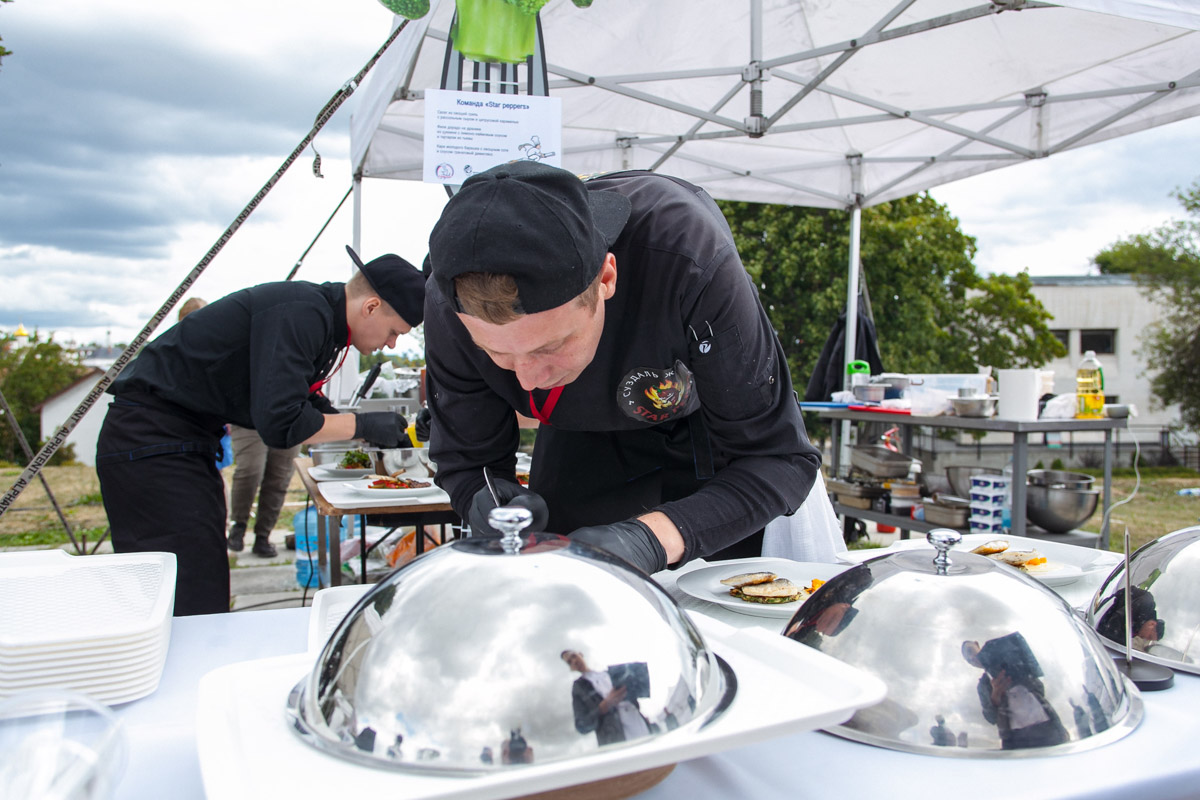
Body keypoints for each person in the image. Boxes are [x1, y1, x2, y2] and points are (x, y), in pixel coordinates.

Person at [422, 161, 822, 573]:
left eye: (550, 346)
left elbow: (779, 458)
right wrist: (483, 497)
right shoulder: (446, 304)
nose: (528, 380)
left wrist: (653, 538)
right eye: (498, 355)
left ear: (606, 278)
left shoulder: (687, 254)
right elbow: (467, 460)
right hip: (573, 437)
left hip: (701, 444)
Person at [96, 248, 426, 616]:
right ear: (371, 307)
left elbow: (304, 403)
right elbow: (282, 423)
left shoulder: (319, 317)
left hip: (177, 441)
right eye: (395, 331)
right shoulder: (303, 313)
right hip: (151, 441)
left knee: (201, 575)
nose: (392, 343)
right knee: (186, 590)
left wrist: (385, 432)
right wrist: (362, 425)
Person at [561, 650, 653, 746]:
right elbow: (581, 725)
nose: (574, 661)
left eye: (574, 656)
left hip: (640, 725)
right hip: (617, 738)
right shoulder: (579, 687)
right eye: (569, 662)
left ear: (580, 654)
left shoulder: (610, 673)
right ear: (571, 668)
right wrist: (604, 706)